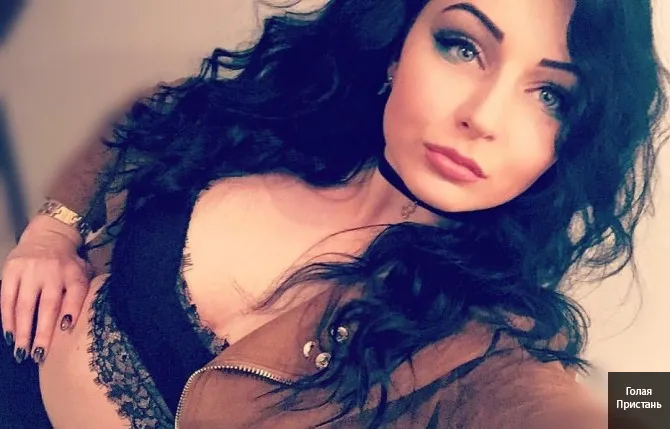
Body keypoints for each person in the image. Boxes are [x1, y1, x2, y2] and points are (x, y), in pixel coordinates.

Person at [1, 0, 668, 427]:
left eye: (551, 95)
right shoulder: (269, 130)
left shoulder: (475, 345)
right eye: (463, 46)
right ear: (398, 48)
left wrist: (650, 401)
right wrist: (54, 228)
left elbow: (594, 409)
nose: (483, 116)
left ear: (570, 144)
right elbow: (146, 120)